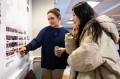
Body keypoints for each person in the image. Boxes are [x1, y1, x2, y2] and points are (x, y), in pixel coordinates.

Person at [65, 1, 120, 79]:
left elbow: (86, 56)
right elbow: (72, 51)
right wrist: (73, 37)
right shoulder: (87, 29)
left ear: (82, 13)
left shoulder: (95, 28)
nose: (73, 18)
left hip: (99, 73)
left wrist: (70, 60)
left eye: (74, 15)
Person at [19, 8, 69, 79]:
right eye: (48, 19)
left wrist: (64, 49)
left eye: (52, 18)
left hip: (59, 65)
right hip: (46, 64)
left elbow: (71, 48)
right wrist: (27, 47)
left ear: (59, 17)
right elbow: (36, 41)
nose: (50, 21)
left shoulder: (66, 32)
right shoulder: (45, 31)